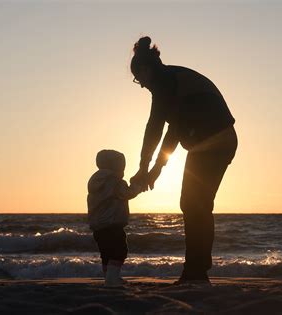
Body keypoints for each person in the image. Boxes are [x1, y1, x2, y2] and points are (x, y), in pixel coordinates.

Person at [129, 36, 238, 284]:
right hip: (213, 142)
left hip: (213, 142)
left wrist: (144, 168)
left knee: (194, 204)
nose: (142, 85)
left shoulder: (164, 82)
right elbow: (173, 131)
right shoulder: (173, 79)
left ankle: (196, 271)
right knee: (194, 204)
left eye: (139, 79)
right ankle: (198, 269)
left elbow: (154, 128)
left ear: (145, 70)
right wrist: (155, 168)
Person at [87, 149, 142, 286]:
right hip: (113, 224)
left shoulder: (95, 183)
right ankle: (112, 279)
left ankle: (109, 278)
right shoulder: (115, 182)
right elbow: (127, 193)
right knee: (120, 251)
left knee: (106, 254)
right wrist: (138, 186)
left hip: (98, 227)